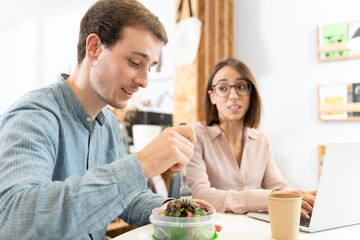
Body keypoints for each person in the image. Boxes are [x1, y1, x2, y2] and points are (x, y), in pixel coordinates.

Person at [0, 0, 218, 239]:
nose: (145, 81)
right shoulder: (34, 115)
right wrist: (141, 163)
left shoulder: (109, 125)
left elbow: (125, 198)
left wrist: (170, 210)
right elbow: (14, 217)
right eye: (135, 62)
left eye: (150, 67)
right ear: (94, 47)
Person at [187, 58, 316, 219]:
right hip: (213, 228)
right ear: (212, 97)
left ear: (250, 94)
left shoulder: (261, 140)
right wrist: (270, 197)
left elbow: (278, 185)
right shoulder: (196, 135)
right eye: (223, 88)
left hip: (254, 228)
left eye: (240, 87)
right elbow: (200, 195)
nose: (233, 96)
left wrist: (297, 195)